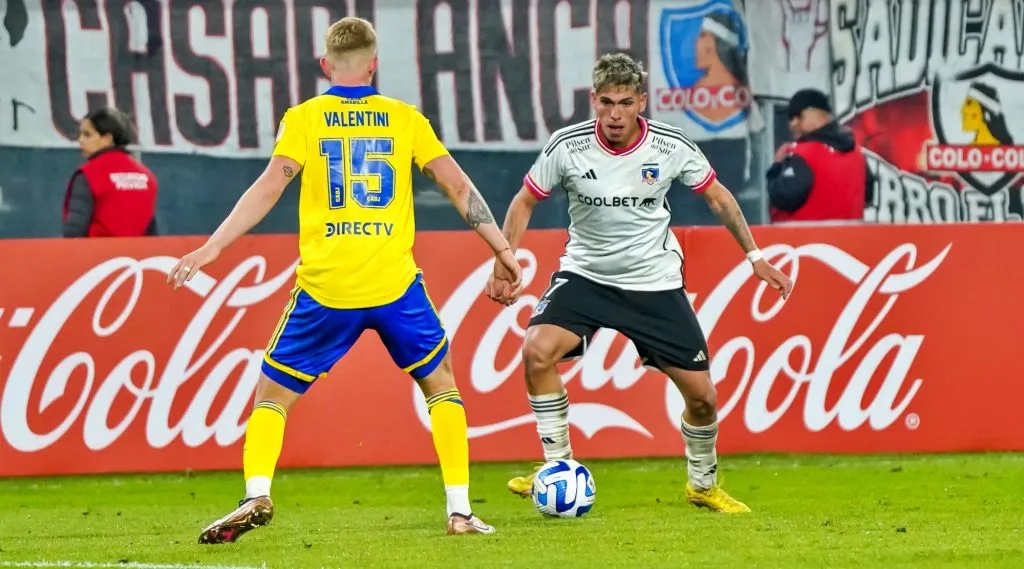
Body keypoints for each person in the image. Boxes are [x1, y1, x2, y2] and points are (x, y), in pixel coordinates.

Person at [167, 16, 522, 542]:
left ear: (324, 65)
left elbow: (269, 187)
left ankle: (257, 491)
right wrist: (502, 247)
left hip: (326, 290)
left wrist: (213, 247)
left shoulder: (306, 119)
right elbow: (455, 184)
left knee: (271, 396)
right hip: (394, 286)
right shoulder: (404, 119)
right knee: (441, 383)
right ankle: (460, 511)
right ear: (375, 65)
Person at [490, 53, 793, 513]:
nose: (614, 114)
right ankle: (556, 466)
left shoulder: (670, 146)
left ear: (641, 103)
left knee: (703, 398)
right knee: (536, 352)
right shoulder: (566, 146)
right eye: (606, 102)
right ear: (593, 100)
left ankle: (703, 484)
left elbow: (718, 197)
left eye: (625, 103)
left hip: (653, 283)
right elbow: (524, 201)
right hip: (585, 276)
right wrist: (504, 258)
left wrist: (755, 256)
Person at [766, 88, 867, 222]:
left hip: (804, 240)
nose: (792, 124)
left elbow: (783, 196)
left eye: (796, 116)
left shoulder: (802, 154)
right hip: (849, 239)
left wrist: (776, 167)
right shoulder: (856, 153)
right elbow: (868, 194)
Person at [63, 107, 158, 237]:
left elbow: (74, 231)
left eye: (87, 134)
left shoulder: (88, 175)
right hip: (138, 255)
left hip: (97, 255)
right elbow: (151, 232)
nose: (80, 140)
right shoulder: (147, 177)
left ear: (107, 139)